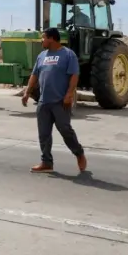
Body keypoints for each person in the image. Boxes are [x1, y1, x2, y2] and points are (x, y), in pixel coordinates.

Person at [22, 27, 87, 173]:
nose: (41, 40)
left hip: (60, 101)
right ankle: (46, 162)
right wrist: (27, 92)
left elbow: (74, 75)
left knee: (65, 131)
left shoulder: (68, 55)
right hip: (44, 102)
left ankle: (79, 153)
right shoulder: (41, 56)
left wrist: (69, 94)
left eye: (43, 37)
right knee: (44, 134)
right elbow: (34, 75)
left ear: (52, 38)